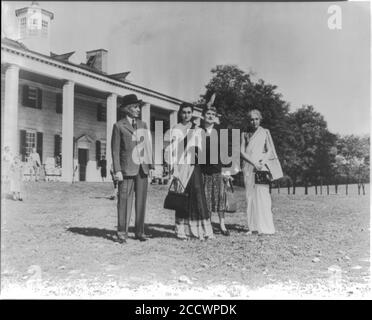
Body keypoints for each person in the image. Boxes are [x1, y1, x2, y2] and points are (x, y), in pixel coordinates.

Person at [166, 102, 213, 240]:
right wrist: (173, 168)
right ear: (180, 113)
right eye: (184, 112)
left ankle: (205, 231)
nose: (186, 115)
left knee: (198, 195)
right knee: (182, 196)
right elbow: (172, 150)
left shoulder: (197, 129)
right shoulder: (176, 128)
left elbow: (200, 149)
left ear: (192, 114)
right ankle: (181, 230)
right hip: (181, 166)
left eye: (189, 112)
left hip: (194, 165)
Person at [111, 94, 153, 243]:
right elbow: (115, 151)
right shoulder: (118, 126)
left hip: (143, 169)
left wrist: (151, 166)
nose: (138, 109)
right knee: (124, 201)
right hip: (126, 170)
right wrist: (117, 171)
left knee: (141, 202)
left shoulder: (143, 125)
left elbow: (147, 147)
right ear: (127, 109)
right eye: (135, 107)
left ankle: (140, 232)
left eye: (138, 107)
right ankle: (122, 233)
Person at [240, 109, 283, 235]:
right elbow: (242, 151)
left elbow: (269, 150)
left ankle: (266, 227)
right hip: (249, 166)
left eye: (256, 119)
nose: (254, 122)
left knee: (263, 195)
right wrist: (253, 163)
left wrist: (262, 163)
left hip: (262, 167)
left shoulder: (265, 132)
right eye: (251, 119)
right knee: (250, 196)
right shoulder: (244, 133)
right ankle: (252, 227)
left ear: (260, 119)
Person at [200, 94, 232, 236]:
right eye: (208, 113)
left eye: (213, 114)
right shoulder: (198, 131)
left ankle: (222, 225)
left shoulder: (220, 131)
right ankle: (208, 225)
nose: (211, 116)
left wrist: (227, 172)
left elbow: (226, 153)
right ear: (203, 115)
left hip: (218, 170)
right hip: (203, 171)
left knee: (220, 198)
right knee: (206, 199)